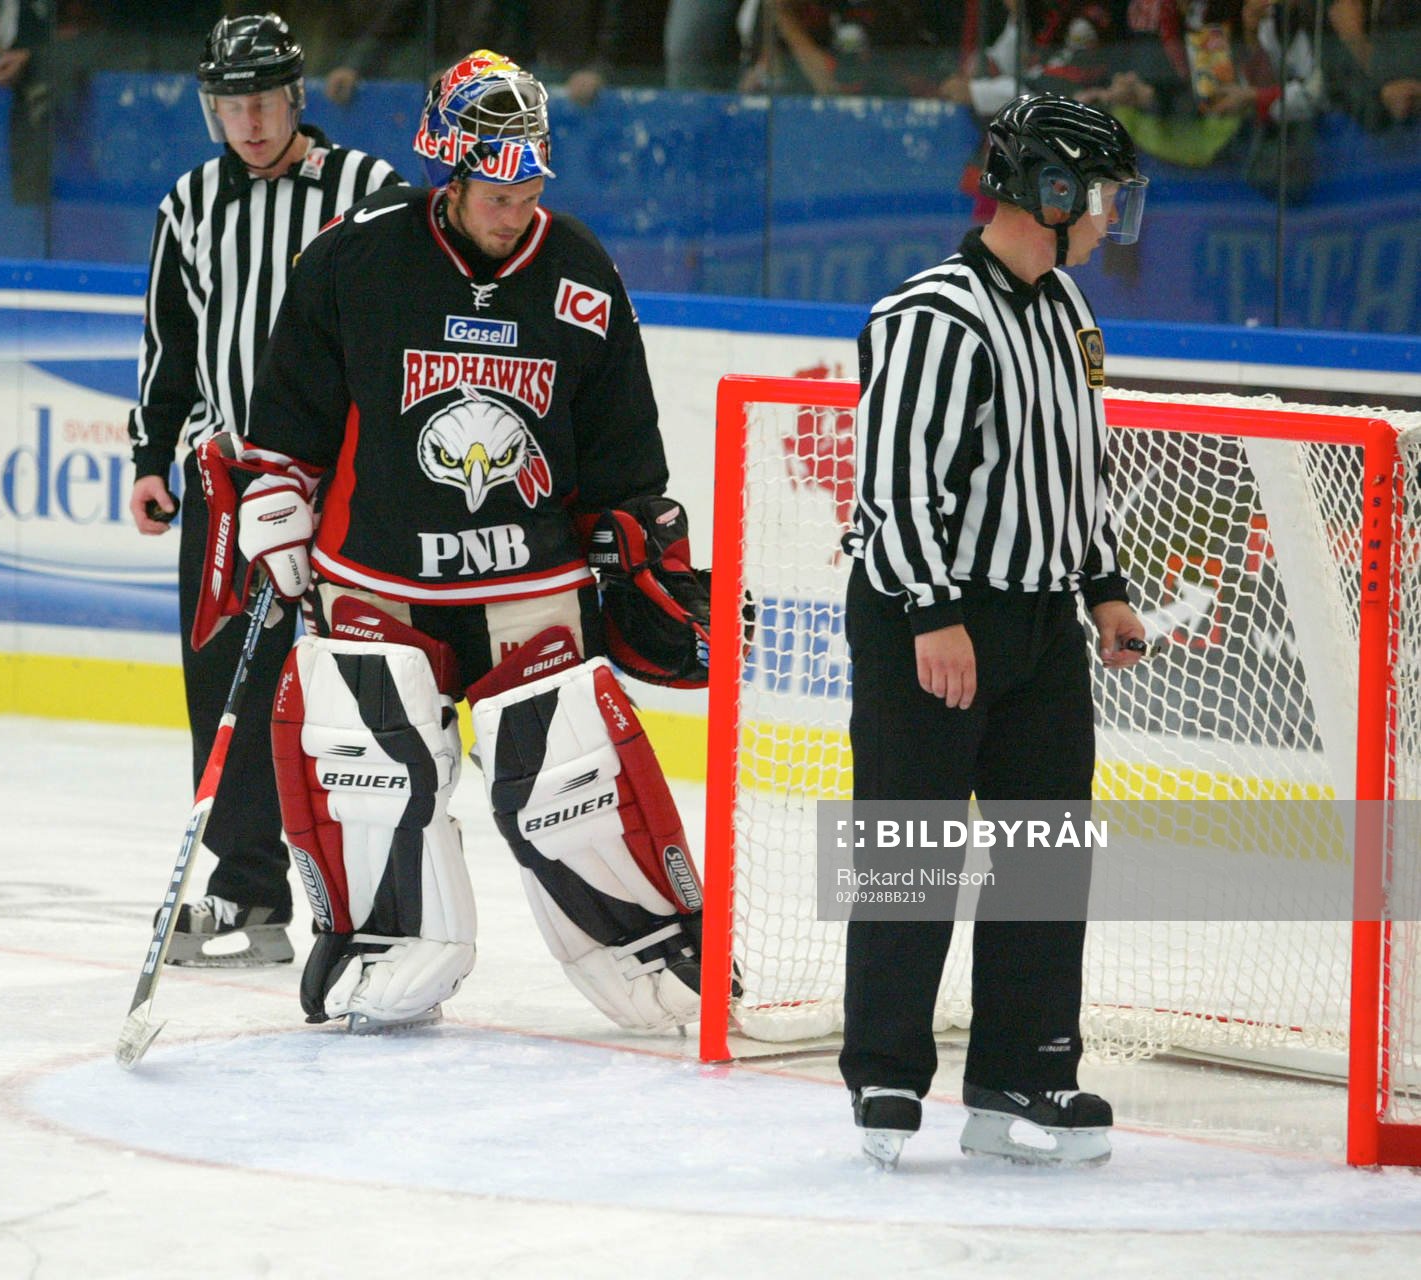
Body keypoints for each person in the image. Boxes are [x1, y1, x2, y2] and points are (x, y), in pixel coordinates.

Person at [205, 49, 714, 1035]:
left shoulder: (580, 273)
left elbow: (624, 457)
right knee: (363, 750)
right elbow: (291, 424)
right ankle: (384, 937)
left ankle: (652, 943)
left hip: (531, 582)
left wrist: (638, 542)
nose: (515, 198)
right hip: (379, 576)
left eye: (530, 176)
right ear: (449, 162)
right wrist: (274, 495)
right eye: (497, 175)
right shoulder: (354, 257)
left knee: (571, 762)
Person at [840, 92, 1149, 1168]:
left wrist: (1102, 583)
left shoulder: (1067, 312)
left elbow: (1073, 470)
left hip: (1038, 622)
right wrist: (937, 611)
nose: (1114, 214)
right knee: (911, 849)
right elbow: (897, 483)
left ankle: (1023, 1068)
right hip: (929, 613)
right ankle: (884, 1070)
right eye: (1101, 193)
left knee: (1040, 853)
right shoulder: (934, 315)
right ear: (1050, 192)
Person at [126, 12, 405, 967]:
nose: (248, 122)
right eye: (229, 105)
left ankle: (373, 900)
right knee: (226, 685)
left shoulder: (369, 192)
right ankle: (248, 895)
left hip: (338, 492)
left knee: (350, 689)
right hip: (226, 487)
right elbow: (170, 343)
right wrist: (148, 456)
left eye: (263, 101)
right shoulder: (191, 201)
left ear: (295, 96)